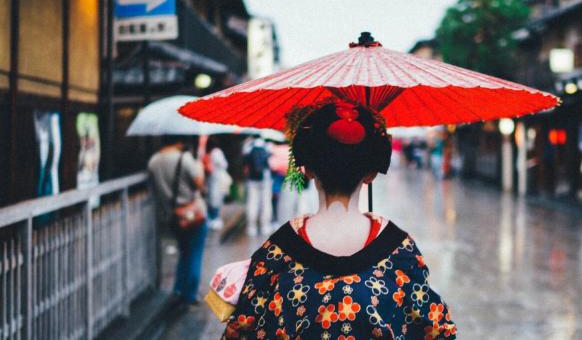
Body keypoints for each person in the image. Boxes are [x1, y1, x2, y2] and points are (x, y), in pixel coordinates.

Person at [215, 99, 456, 339]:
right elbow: (438, 331)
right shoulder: (399, 251)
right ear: (371, 172)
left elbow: (240, 330)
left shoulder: (277, 253)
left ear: (306, 168)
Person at [148, 136, 208, 304]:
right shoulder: (185, 158)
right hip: (193, 214)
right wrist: (200, 167)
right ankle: (189, 295)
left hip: (172, 215)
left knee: (183, 252)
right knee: (194, 254)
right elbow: (199, 185)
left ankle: (178, 289)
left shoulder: (154, 161)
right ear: (179, 140)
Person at [244, 137, 272, 236]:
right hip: (265, 178)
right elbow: (270, 164)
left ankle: (252, 227)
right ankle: (265, 226)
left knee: (252, 202)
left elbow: (246, 165)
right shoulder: (267, 147)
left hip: (252, 179)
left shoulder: (248, 147)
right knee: (266, 202)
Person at [204, 137, 230, 231]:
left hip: (213, 178)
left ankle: (213, 218)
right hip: (216, 178)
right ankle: (215, 218)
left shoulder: (209, 152)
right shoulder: (216, 152)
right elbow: (224, 164)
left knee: (213, 198)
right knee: (216, 199)